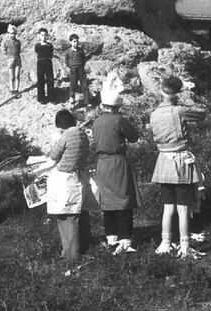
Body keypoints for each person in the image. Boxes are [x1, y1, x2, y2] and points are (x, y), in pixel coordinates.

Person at [150, 76, 206, 258]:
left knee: (168, 207)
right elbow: (201, 114)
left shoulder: (154, 113)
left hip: (163, 161)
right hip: (180, 161)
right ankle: (184, 245)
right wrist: (185, 99)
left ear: (161, 91)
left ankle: (165, 242)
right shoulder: (180, 111)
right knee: (183, 208)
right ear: (177, 92)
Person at [92, 74, 139, 255]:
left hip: (102, 163)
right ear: (117, 106)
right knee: (123, 200)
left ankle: (111, 237)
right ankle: (125, 239)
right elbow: (134, 137)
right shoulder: (119, 120)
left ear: (103, 106)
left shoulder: (96, 121)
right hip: (117, 162)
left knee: (108, 201)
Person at [34, 109, 91, 259]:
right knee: (80, 213)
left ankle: (70, 255)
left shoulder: (66, 135)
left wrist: (37, 171)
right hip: (79, 177)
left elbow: (53, 158)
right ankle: (84, 246)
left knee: (66, 218)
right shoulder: (82, 133)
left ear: (59, 126)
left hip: (65, 180)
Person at [64, 33, 90, 107]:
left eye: (77, 41)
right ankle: (72, 102)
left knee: (84, 86)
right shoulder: (68, 52)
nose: (76, 43)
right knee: (73, 86)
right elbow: (66, 62)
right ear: (70, 42)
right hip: (73, 70)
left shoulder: (81, 51)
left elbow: (84, 60)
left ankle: (87, 102)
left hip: (81, 69)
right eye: (74, 41)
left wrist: (81, 66)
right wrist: (72, 67)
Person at [34, 28, 55, 104]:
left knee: (50, 80)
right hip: (40, 63)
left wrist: (47, 60)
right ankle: (41, 98)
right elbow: (37, 55)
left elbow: (51, 55)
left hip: (48, 63)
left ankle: (51, 98)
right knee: (40, 80)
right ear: (39, 36)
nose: (43, 36)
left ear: (47, 36)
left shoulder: (50, 45)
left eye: (45, 35)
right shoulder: (37, 46)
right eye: (42, 35)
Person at [2, 24, 22, 96]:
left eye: (13, 33)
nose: (12, 35)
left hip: (17, 60)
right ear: (8, 34)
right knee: (11, 77)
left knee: (17, 76)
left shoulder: (18, 42)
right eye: (11, 33)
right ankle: (11, 89)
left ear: (15, 34)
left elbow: (19, 50)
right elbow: (4, 50)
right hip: (10, 60)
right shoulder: (6, 42)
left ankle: (16, 89)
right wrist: (8, 58)